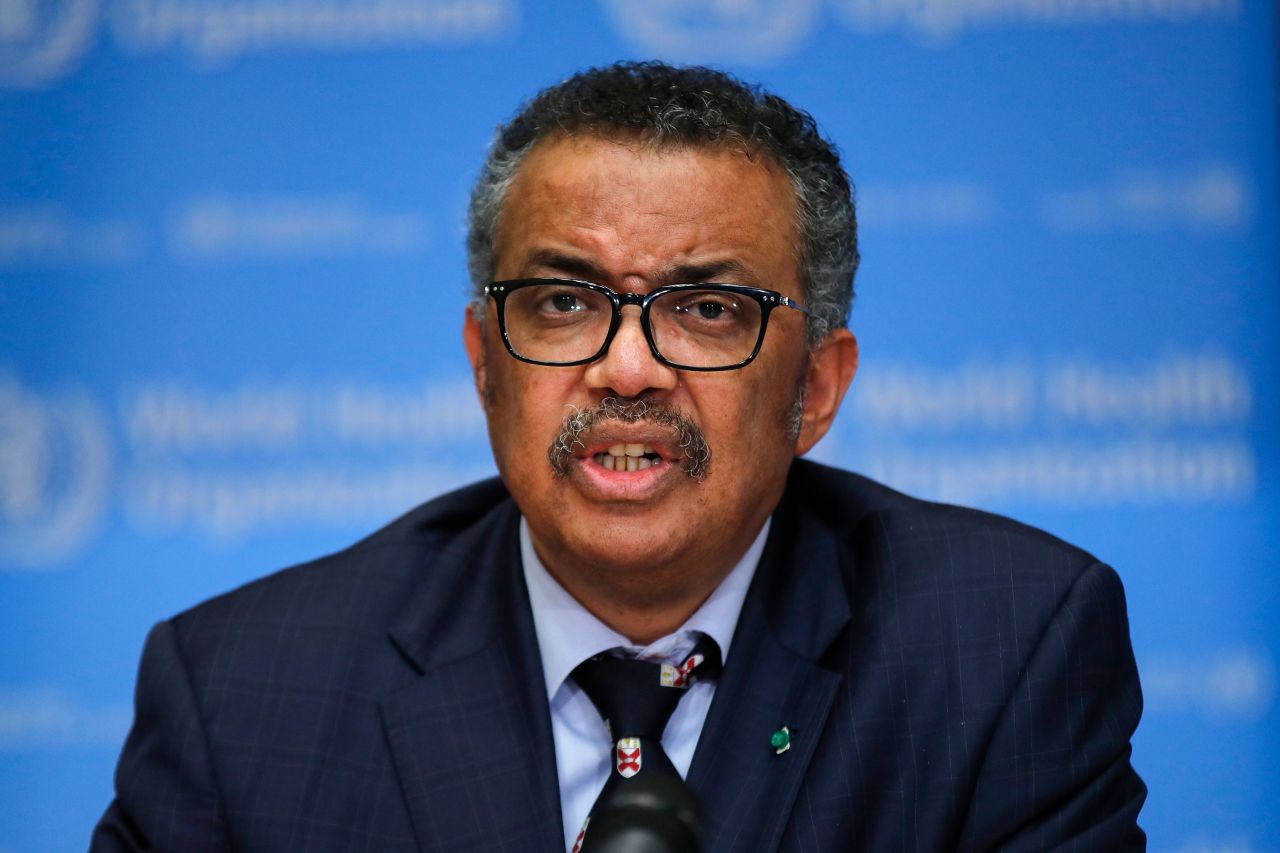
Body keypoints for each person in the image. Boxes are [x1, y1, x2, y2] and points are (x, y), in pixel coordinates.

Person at [91, 62, 1146, 852]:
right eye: (560, 303)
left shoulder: (1002, 648)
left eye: (704, 308)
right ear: (482, 365)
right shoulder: (243, 695)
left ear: (813, 389)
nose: (625, 368)